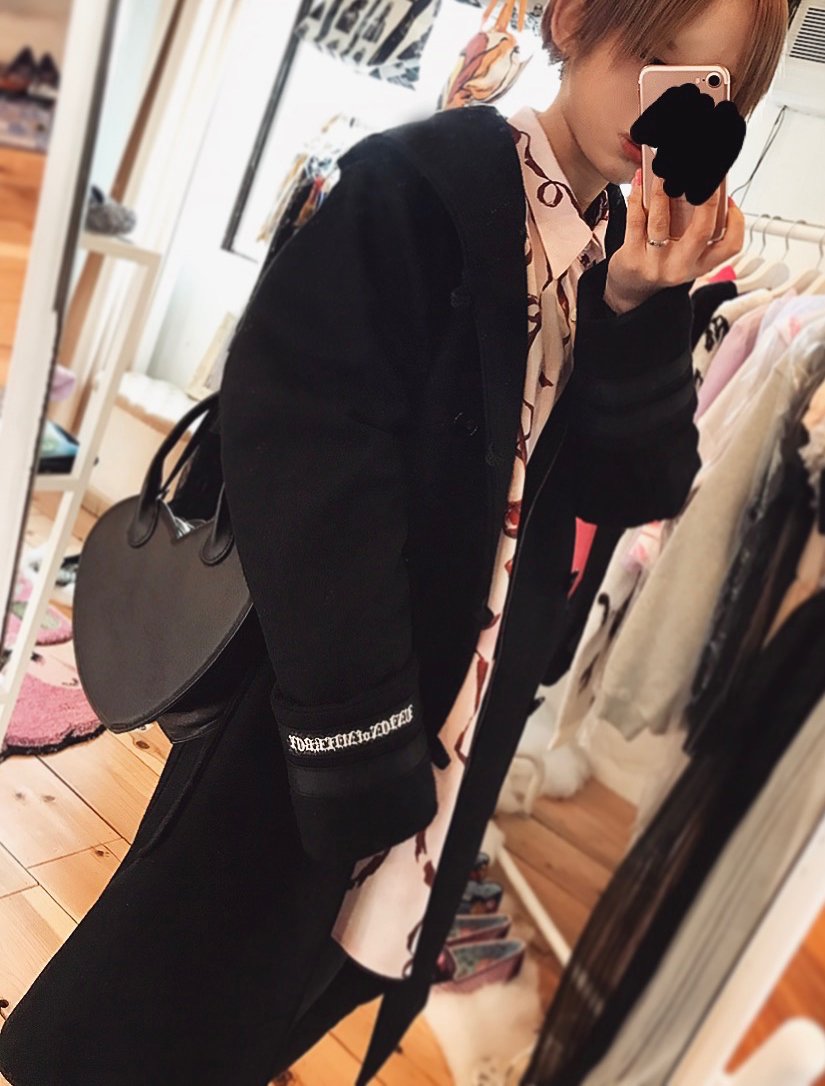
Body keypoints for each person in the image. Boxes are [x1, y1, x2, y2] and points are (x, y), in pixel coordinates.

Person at [0, 1, 789, 1084]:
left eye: (705, 95)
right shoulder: (421, 183)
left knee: (317, 977)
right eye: (654, 62)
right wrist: (359, 742)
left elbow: (636, 485)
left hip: (460, 719)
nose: (665, 115)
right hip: (329, 707)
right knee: (178, 983)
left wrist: (643, 304)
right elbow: (300, 442)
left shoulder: (618, 255)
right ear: (571, 19)